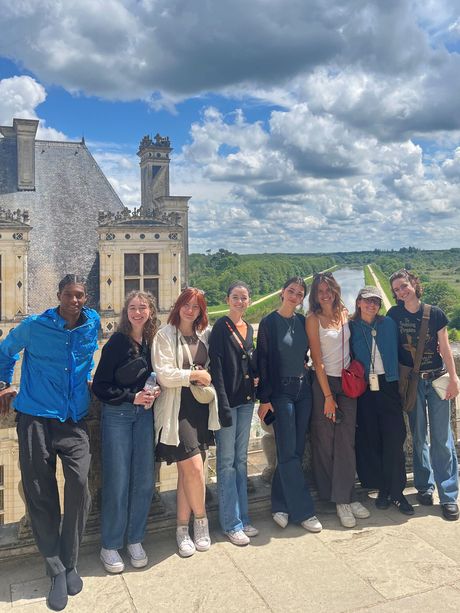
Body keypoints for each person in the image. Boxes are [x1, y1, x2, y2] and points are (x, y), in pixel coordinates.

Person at [0, 275, 99, 611]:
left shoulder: (93, 323)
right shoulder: (35, 325)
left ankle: (69, 560)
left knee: (80, 483)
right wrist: (3, 383)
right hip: (35, 418)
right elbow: (5, 349)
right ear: (59, 296)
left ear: (86, 298)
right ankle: (56, 567)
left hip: (73, 419)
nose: (75, 301)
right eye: (69, 295)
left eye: (80, 296)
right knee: (40, 492)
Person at [92, 291, 161, 573]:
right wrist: (131, 398)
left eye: (142, 307)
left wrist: (153, 390)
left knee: (144, 479)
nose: (137, 312)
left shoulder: (151, 342)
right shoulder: (117, 343)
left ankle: (134, 539)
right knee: (118, 481)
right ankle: (109, 545)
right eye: (132, 308)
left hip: (144, 417)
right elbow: (99, 386)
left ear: (150, 312)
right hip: (118, 416)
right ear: (126, 312)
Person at [152, 287, 220, 557]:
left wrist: (206, 376)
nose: (190, 310)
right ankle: (201, 522)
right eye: (186, 305)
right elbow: (164, 375)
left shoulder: (206, 333)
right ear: (178, 306)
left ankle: (182, 529)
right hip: (177, 408)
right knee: (194, 467)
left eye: (196, 306)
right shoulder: (164, 335)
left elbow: (215, 366)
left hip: (200, 408)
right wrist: (195, 376)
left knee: (188, 473)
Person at [388, 269, 460, 521]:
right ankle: (425, 487)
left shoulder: (435, 312)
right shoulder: (394, 314)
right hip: (413, 383)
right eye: (396, 289)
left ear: (414, 284)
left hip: (437, 379)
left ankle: (449, 495)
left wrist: (454, 377)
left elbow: (445, 348)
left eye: (404, 285)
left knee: (441, 438)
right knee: (418, 437)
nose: (401, 291)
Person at [257, 276, 322, 533]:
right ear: (282, 293)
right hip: (281, 391)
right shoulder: (269, 323)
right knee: (287, 449)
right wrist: (264, 398)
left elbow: (308, 353)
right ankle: (304, 511)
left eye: (300, 293)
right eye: (291, 291)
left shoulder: (302, 321)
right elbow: (262, 361)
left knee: (293, 449)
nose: (295, 296)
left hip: (303, 388)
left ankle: (280, 504)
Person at [306, 272, 370, 528]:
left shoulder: (343, 312)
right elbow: (317, 361)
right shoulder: (313, 319)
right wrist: (328, 397)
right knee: (325, 441)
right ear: (315, 295)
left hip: (346, 383)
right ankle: (336, 499)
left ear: (335, 290)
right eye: (320, 291)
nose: (325, 295)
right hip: (324, 384)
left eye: (328, 290)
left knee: (346, 441)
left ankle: (346, 495)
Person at [349, 286, 413, 515]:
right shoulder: (351, 327)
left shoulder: (388, 324)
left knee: (395, 438)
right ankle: (383, 489)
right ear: (358, 303)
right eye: (367, 301)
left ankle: (397, 491)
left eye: (376, 301)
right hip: (364, 389)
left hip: (389, 385)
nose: (371, 305)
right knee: (372, 439)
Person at [209, 281, 259, 546]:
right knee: (226, 462)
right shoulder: (220, 328)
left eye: (244, 298)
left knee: (240, 461)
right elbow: (216, 369)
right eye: (236, 297)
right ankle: (231, 523)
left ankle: (244, 517)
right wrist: (223, 405)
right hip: (228, 403)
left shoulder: (248, 328)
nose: (240, 301)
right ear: (228, 300)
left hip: (247, 401)